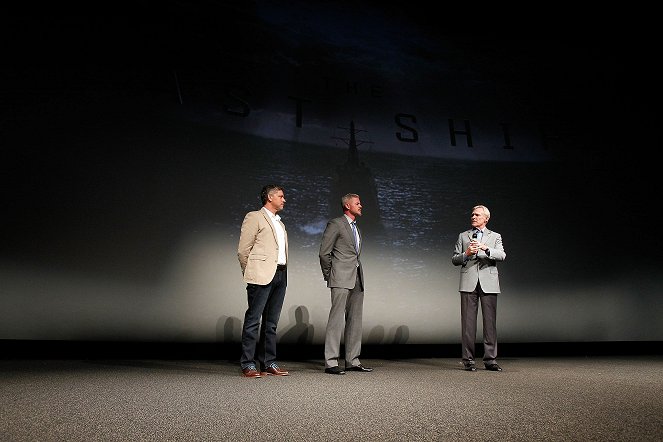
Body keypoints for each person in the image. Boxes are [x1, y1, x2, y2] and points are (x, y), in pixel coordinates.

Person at [237, 184, 289, 378]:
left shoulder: (280, 223)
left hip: (280, 275)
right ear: (269, 197)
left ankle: (268, 362)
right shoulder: (254, 217)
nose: (284, 200)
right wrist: (250, 271)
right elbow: (243, 250)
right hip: (261, 274)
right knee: (253, 320)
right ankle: (248, 363)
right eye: (281, 196)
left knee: (271, 323)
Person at [319, 193, 372, 375]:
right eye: (358, 203)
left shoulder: (356, 227)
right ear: (348, 205)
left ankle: (352, 360)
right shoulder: (336, 224)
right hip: (340, 277)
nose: (361, 205)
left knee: (355, 320)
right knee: (336, 320)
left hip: (357, 276)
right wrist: (330, 275)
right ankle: (331, 362)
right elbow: (324, 253)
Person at [451, 204, 506, 372]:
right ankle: (468, 360)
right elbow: (454, 259)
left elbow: (502, 255)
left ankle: (490, 360)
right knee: (468, 325)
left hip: (488, 282)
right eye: (472, 215)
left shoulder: (495, 236)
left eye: (477, 215)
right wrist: (466, 254)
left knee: (490, 324)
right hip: (469, 282)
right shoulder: (463, 236)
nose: (473, 217)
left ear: (486, 219)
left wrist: (486, 249)